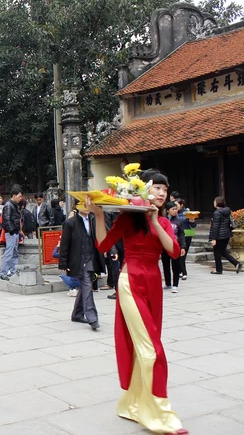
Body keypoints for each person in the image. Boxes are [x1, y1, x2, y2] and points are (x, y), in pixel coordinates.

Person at [88, 170, 188, 434]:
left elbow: (174, 251)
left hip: (154, 284)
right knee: (151, 348)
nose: (161, 194)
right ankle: (159, 413)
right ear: (145, 190)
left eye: (165, 191)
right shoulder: (128, 219)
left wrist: (155, 222)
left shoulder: (164, 223)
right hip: (130, 280)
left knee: (148, 343)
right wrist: (98, 215)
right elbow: (103, 245)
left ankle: (133, 403)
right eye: (157, 189)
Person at [58, 202, 104, 330]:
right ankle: (92, 317)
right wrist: (63, 263)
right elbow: (64, 244)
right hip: (78, 259)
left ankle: (77, 313)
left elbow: (100, 237)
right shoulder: (70, 223)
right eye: (82, 204)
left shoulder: (94, 220)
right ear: (77, 207)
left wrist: (111, 251)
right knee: (88, 284)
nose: (86, 206)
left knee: (86, 285)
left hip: (91, 258)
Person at [209, 196, 242, 275]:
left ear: (217, 203)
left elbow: (215, 226)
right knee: (223, 252)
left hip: (219, 236)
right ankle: (236, 263)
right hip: (226, 234)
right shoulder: (228, 211)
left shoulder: (217, 213)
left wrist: (213, 238)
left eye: (214, 201)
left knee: (217, 252)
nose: (213, 202)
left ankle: (219, 269)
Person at [161, 202, 186, 293]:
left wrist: (183, 246)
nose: (175, 211)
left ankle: (175, 285)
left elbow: (182, 234)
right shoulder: (163, 220)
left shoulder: (179, 221)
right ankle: (168, 283)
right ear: (167, 210)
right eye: (173, 209)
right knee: (165, 265)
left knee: (175, 266)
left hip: (175, 246)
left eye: (176, 209)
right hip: (164, 246)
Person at [0, 187, 22, 281]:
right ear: (14, 196)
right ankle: (3, 272)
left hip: (15, 231)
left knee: (14, 253)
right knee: (9, 253)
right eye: (19, 196)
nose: (20, 198)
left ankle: (14, 272)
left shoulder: (14, 205)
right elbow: (6, 219)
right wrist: (12, 230)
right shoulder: (9, 205)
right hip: (11, 232)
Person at [176, 199, 196, 280]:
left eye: (177, 205)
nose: (175, 207)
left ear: (181, 205)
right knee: (178, 255)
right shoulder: (173, 212)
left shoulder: (187, 213)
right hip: (177, 236)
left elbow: (194, 225)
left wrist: (192, 221)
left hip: (186, 236)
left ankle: (184, 272)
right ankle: (180, 271)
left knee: (182, 255)